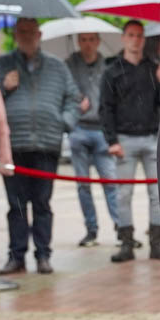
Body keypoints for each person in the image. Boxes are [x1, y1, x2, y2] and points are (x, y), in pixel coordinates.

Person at [0, 17, 77, 275]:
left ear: (39, 35)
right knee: (16, 205)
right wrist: (3, 87)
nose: (26, 36)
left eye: (31, 32)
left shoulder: (57, 67)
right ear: (15, 35)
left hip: (46, 145)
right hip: (12, 145)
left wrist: (63, 122)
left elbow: (73, 98)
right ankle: (16, 256)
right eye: (21, 32)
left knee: (42, 204)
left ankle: (43, 255)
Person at [100, 19, 160, 263]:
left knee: (158, 193)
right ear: (124, 38)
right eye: (131, 35)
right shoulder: (112, 71)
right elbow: (105, 108)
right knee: (123, 194)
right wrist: (112, 140)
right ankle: (126, 242)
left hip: (152, 137)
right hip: (124, 139)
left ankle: (156, 242)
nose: (135, 40)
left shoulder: (153, 68)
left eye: (139, 35)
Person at [64, 29, 122, 247]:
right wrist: (75, 103)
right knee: (83, 185)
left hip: (101, 130)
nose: (87, 44)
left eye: (91, 39)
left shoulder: (107, 66)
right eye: (83, 40)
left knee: (110, 181)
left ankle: (120, 227)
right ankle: (91, 229)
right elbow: (63, 94)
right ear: (78, 41)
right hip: (79, 128)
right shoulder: (69, 66)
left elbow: (113, 98)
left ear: (97, 41)